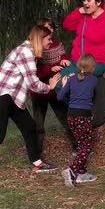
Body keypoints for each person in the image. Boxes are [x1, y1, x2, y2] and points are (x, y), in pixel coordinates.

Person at [0, 25, 61, 181]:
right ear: (39, 38)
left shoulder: (29, 52)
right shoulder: (26, 52)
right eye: (48, 39)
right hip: (2, 96)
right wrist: (49, 86)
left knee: (29, 127)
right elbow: (32, 83)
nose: (50, 42)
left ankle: (37, 163)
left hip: (12, 97)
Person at [30, 18, 78, 155]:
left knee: (66, 118)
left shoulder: (56, 44)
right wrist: (51, 68)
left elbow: (64, 57)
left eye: (51, 27)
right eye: (46, 28)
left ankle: (77, 146)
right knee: (38, 125)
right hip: (39, 92)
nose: (50, 30)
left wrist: (65, 59)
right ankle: (36, 154)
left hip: (55, 90)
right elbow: (35, 73)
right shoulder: (35, 49)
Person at [58, 54, 99, 187]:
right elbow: (92, 96)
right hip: (84, 116)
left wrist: (65, 84)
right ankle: (71, 169)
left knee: (81, 145)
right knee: (86, 147)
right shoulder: (94, 80)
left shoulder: (71, 79)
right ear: (93, 67)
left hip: (71, 115)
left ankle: (82, 174)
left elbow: (59, 97)